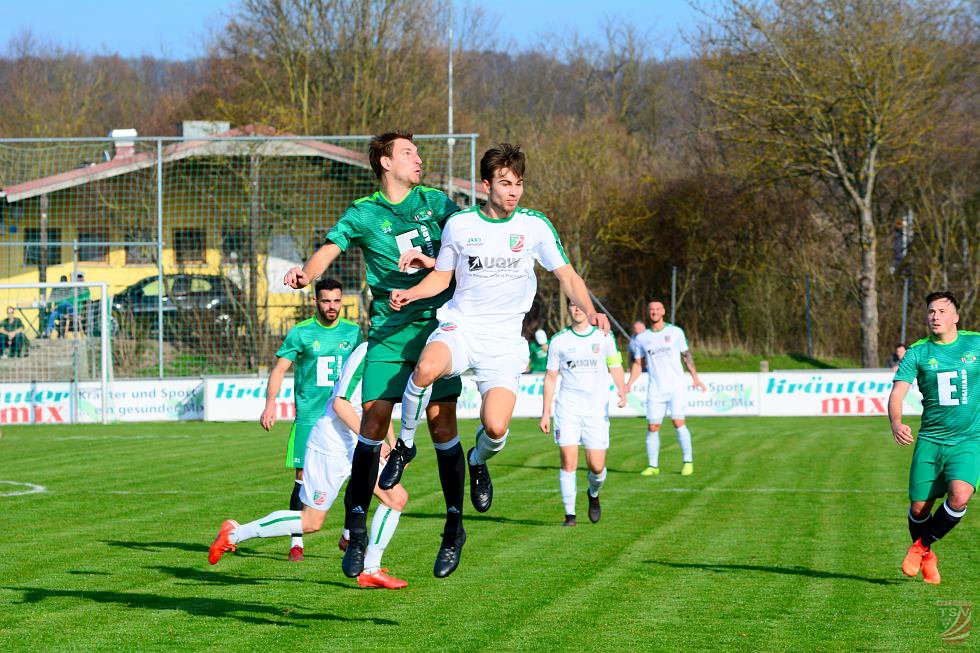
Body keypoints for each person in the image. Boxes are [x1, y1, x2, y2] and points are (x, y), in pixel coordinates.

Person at [384, 143, 611, 576]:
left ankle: (477, 461)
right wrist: (411, 293)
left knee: (495, 427)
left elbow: (567, 275)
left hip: (505, 343)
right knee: (426, 368)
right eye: (505, 183)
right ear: (485, 185)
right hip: (462, 328)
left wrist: (591, 308)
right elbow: (443, 277)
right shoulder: (460, 225)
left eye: (519, 183)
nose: (514, 191)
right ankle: (406, 445)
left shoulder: (535, 226)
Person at [283, 131, 464, 580]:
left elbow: (470, 241)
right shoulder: (364, 212)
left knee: (443, 424)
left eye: (417, 152)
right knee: (372, 422)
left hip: (439, 329)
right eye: (408, 153)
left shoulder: (436, 202)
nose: (418, 159)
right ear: (385, 162)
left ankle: (458, 516)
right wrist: (307, 274)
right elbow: (332, 246)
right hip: (389, 330)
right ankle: (358, 529)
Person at [211, 343, 410, 589]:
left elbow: (378, 407)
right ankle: (234, 533)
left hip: (359, 443)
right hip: (331, 445)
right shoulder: (367, 352)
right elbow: (340, 404)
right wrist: (372, 441)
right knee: (311, 522)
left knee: (395, 498)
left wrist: (393, 444)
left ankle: (371, 569)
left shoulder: (395, 355)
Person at [259, 278, 363, 562]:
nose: (332, 306)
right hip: (309, 420)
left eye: (337, 301)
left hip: (344, 421)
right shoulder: (301, 332)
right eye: (326, 301)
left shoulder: (353, 333)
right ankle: (297, 542)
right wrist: (270, 404)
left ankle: (348, 534)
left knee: (358, 477)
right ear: (315, 301)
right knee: (302, 481)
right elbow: (279, 369)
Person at [888, 291, 979, 585]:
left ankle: (920, 548)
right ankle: (927, 555)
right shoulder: (918, 352)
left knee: (960, 496)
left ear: (956, 317)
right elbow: (897, 394)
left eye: (942, 311)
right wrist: (896, 422)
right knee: (919, 509)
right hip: (930, 439)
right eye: (931, 311)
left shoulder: (975, 344)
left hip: (969, 440)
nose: (935, 316)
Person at [539, 300, 626, 526]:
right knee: (569, 461)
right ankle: (570, 515)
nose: (576, 309)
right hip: (567, 410)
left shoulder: (604, 337)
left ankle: (593, 493)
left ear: (588, 308)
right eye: (572, 305)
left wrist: (622, 390)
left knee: (597, 467)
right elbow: (550, 377)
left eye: (580, 305)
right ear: (568, 309)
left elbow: (615, 365)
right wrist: (546, 413)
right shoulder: (559, 340)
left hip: (596, 412)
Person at [626, 299, 706, 476]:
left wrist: (695, 378)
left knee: (678, 422)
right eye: (651, 309)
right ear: (648, 313)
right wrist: (629, 384)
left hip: (676, 387)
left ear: (663, 312)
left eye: (658, 309)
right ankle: (653, 466)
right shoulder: (642, 338)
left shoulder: (675, 332)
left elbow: (686, 356)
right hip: (655, 389)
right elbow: (638, 364)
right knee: (653, 426)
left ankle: (688, 462)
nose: (654, 312)